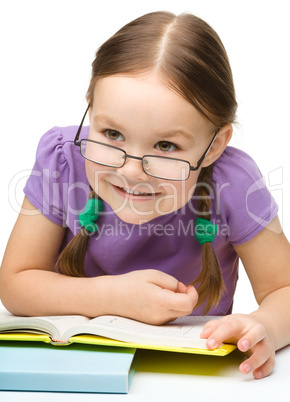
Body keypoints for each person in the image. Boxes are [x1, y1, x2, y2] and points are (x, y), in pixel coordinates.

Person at [0, 11, 289, 380]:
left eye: (166, 145)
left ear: (215, 145)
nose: (132, 171)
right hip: (76, 368)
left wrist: (265, 325)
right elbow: (15, 282)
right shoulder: (62, 160)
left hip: (190, 379)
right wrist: (114, 297)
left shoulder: (234, 184)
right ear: (91, 107)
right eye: (112, 134)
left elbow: (285, 288)